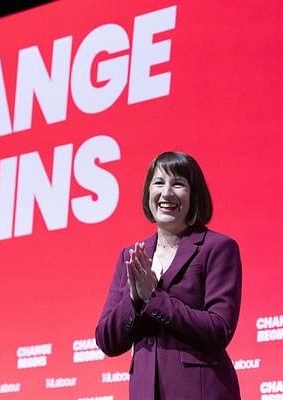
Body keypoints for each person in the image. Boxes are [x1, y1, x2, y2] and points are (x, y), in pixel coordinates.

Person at [95, 151, 243, 399]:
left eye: (178, 184)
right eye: (159, 182)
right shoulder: (131, 256)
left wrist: (153, 298)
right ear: (148, 192)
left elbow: (218, 330)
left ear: (193, 195)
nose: (166, 193)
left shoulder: (217, 248)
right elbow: (107, 340)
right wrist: (134, 301)